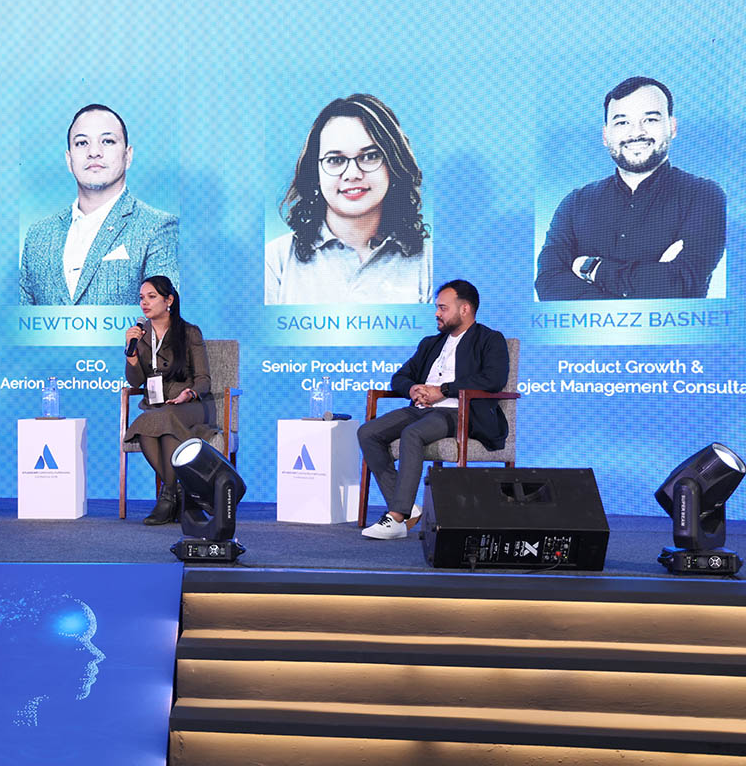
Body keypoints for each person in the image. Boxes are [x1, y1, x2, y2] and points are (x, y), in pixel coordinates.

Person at [535, 77, 726, 300]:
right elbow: (549, 284)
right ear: (605, 135)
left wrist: (592, 269)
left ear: (672, 127)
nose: (636, 133)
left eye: (650, 119)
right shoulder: (575, 203)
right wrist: (652, 283)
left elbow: (680, 283)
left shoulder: (704, 195)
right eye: (622, 122)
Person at [356, 280, 509, 540]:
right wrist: (413, 389)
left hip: (460, 412)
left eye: (443, 308)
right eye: (437, 308)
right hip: (421, 409)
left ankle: (396, 516)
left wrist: (444, 390)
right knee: (368, 432)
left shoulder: (489, 339)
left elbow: (493, 380)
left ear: (465, 309)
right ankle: (405, 507)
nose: (437, 313)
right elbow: (400, 377)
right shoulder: (431, 343)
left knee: (413, 433)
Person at [266, 94, 431, 305]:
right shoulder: (273, 262)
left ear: (393, 165)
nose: (352, 174)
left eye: (370, 156)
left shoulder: (430, 263)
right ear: (315, 173)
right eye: (335, 160)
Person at [20, 104, 179, 305]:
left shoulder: (159, 227)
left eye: (108, 141)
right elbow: (22, 317)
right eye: (81, 143)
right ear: (69, 159)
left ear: (128, 156)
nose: (94, 152)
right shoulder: (39, 235)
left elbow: (165, 314)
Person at [123, 275, 215, 525]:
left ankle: (167, 498)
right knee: (151, 424)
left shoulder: (189, 332)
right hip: (158, 407)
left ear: (169, 300)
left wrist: (189, 393)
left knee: (159, 420)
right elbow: (135, 382)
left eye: (151, 297)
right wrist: (131, 355)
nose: (144, 303)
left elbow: (204, 379)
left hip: (193, 405)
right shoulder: (141, 336)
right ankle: (178, 493)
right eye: (142, 298)